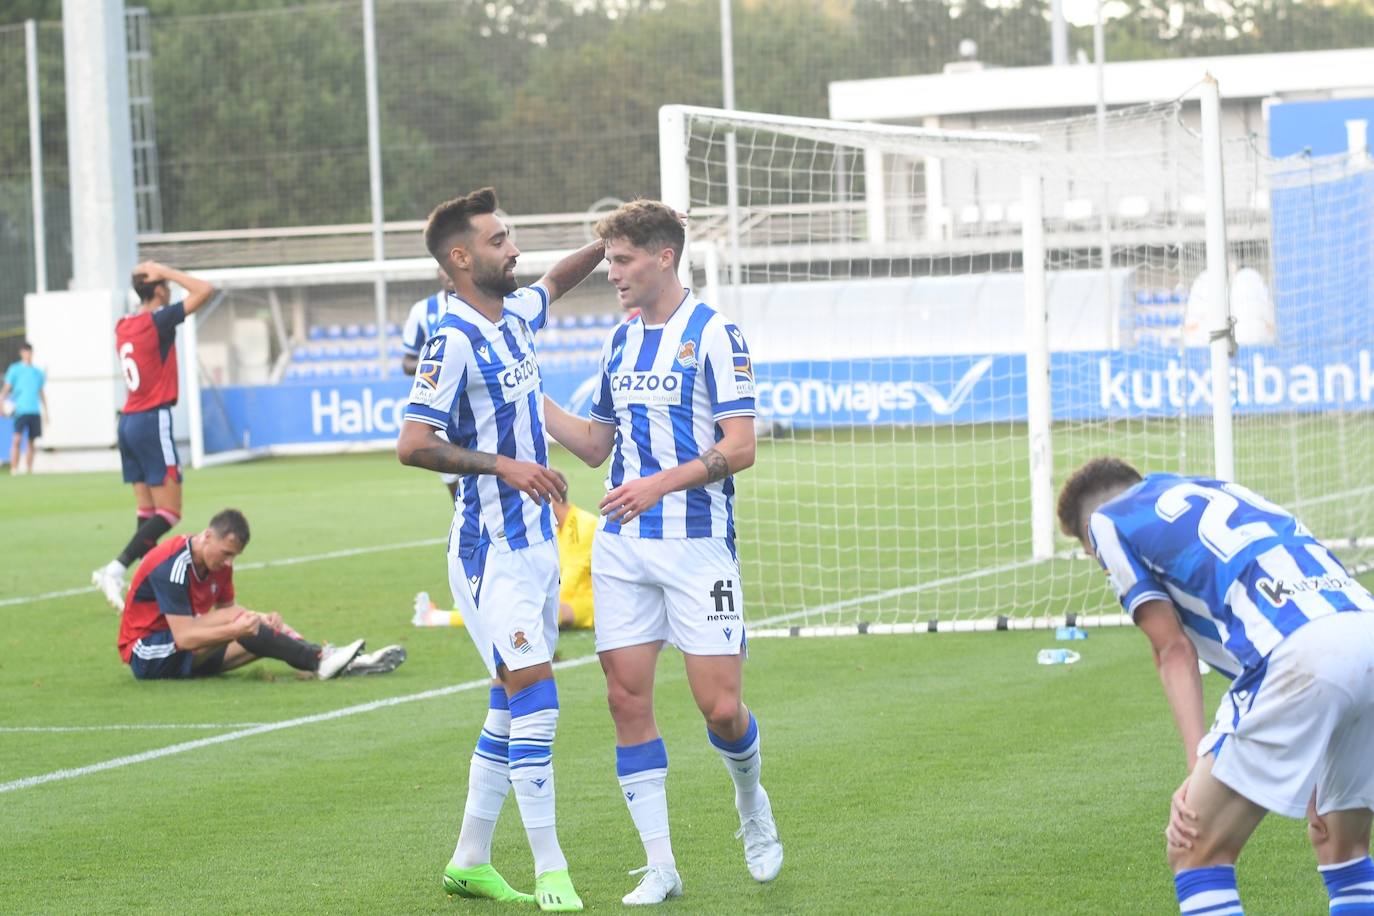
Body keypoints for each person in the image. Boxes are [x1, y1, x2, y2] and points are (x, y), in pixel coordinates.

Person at [542, 199, 783, 905]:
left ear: (663, 257)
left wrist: (659, 484)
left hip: (697, 545)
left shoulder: (715, 335)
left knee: (720, 708)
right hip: (623, 548)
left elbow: (742, 446)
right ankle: (660, 865)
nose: (612, 273)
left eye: (622, 261)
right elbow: (595, 445)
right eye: (609, 262)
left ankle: (752, 803)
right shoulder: (619, 341)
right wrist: (529, 395)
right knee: (625, 699)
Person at [395, 186, 606, 911]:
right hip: (488, 551)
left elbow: (557, 281)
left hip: (538, 546)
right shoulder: (450, 340)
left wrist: (612, 240)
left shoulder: (516, 314)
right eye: (498, 240)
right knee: (538, 699)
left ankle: (469, 861)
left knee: (510, 704)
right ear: (460, 258)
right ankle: (552, 871)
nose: (514, 250)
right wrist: (503, 465)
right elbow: (412, 444)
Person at [1057, 457, 1374, 916]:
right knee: (1342, 846)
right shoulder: (1219, 489)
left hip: (1298, 649)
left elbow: (1173, 650)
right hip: (1363, 627)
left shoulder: (1106, 521)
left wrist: (1195, 768)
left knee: (1193, 847)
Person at [117, 508, 406, 681]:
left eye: (234, 556)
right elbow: (185, 637)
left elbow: (228, 610)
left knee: (254, 626)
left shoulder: (220, 564)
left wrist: (260, 618)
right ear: (207, 536)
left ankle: (332, 661)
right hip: (148, 654)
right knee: (243, 624)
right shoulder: (172, 564)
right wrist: (238, 627)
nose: (229, 562)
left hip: (184, 653)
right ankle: (322, 659)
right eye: (226, 553)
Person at [92, 261, 216, 610]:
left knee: (147, 513)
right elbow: (205, 290)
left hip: (128, 421)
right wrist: (166, 270)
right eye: (166, 284)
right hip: (151, 420)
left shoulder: (123, 324)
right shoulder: (158, 320)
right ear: (158, 288)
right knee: (170, 512)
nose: (170, 289)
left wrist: (153, 276)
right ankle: (115, 569)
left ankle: (141, 583)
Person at [412, 490, 598, 631]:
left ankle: (437, 617)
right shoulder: (552, 526)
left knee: (524, 612)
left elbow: (571, 579)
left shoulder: (582, 525)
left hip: (591, 601)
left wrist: (537, 600)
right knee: (513, 606)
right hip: (566, 597)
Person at [402, 270, 461, 502]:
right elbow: (407, 362)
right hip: (441, 407)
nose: (449, 273)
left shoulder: (482, 304)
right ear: (438, 271)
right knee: (454, 479)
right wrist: (435, 365)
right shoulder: (422, 310)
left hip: (478, 402)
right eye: (444, 267)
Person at [1, 341, 47, 475]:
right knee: (17, 439)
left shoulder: (38, 372)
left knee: (31, 442)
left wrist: (46, 411)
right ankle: (14, 468)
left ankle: (29, 470)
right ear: (21, 353)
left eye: (29, 352)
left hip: (34, 410)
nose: (28, 354)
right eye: (25, 352)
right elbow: (6, 389)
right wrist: (1, 404)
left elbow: (41, 392)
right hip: (20, 410)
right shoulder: (14, 369)